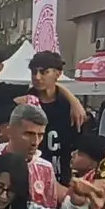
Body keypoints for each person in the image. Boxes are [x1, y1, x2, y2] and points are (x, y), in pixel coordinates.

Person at [0, 105, 59, 208]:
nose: (35, 142)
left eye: (40, 135)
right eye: (29, 134)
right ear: (10, 132)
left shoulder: (45, 169)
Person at [26, 51, 87, 183]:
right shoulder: (25, 103)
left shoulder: (69, 107)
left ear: (58, 73)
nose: (37, 77)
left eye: (44, 72)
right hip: (31, 176)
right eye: (34, 72)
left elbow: (80, 144)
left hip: (61, 175)